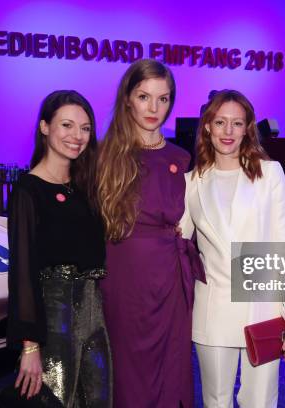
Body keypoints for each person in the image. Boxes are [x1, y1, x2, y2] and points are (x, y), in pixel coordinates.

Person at [180, 90, 285, 407]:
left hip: (263, 309)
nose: (228, 131)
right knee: (216, 401)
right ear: (207, 126)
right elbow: (175, 240)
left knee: (260, 401)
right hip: (213, 310)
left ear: (248, 127)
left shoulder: (269, 174)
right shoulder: (191, 182)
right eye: (220, 122)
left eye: (237, 123)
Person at [97, 59, 204, 408]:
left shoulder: (183, 158)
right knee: (129, 370)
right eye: (144, 97)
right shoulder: (104, 155)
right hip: (124, 277)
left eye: (163, 98)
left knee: (173, 367)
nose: (154, 108)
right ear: (128, 98)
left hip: (171, 277)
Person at [6, 90, 111, 406]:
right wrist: (30, 346)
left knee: (99, 401)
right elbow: (22, 271)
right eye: (67, 125)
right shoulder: (29, 190)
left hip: (95, 317)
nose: (77, 136)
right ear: (44, 127)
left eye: (85, 128)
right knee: (56, 401)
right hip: (54, 321)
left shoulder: (86, 187)